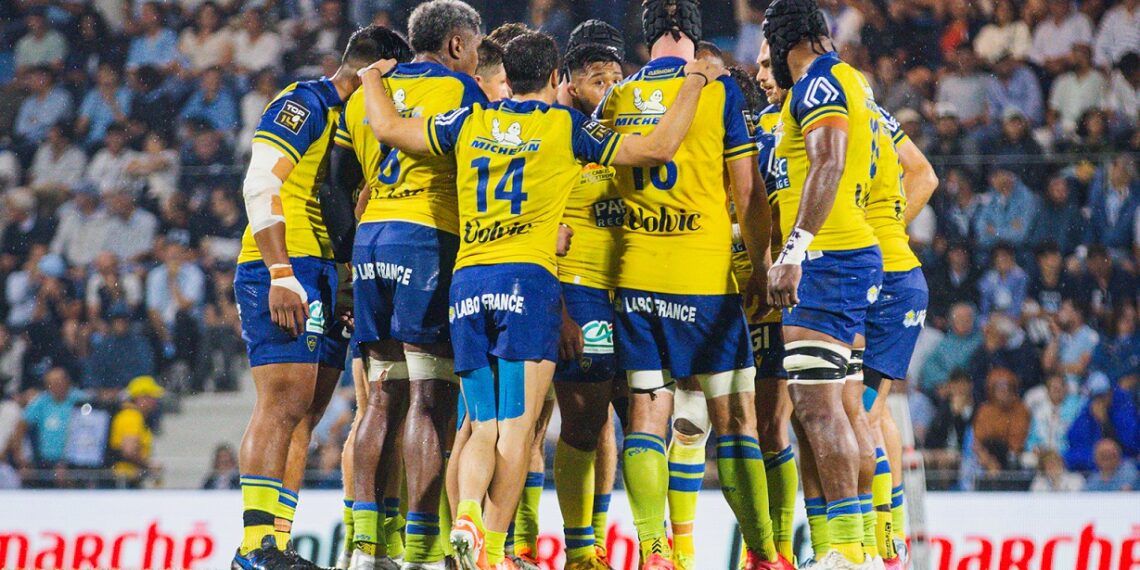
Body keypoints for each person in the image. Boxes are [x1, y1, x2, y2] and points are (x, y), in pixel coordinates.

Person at [361, 29, 716, 570]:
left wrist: (371, 78)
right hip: (526, 284)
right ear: (555, 77)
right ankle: (491, 549)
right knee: (516, 427)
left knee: (478, 425)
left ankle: (465, 517)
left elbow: (387, 127)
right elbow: (656, 148)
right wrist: (693, 83)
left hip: (467, 284)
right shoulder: (564, 126)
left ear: (507, 76)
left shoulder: (469, 121)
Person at [600, 1, 780, 567]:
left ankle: (655, 550)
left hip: (636, 277)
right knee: (736, 421)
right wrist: (761, 266)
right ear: (693, 35)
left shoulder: (617, 97)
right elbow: (747, 194)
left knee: (646, 419)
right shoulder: (718, 91)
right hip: (704, 279)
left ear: (648, 35)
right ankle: (764, 552)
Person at [230, 24, 393, 570]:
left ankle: (277, 543)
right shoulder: (306, 101)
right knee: (280, 405)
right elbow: (260, 182)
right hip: (285, 263)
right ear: (376, 70)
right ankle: (253, 547)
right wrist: (280, 272)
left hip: (323, 270)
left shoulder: (351, 120)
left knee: (305, 414)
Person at [337, 4, 482, 568]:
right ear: (455, 45)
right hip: (427, 237)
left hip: (371, 239)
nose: (475, 59)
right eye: (474, 48)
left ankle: (365, 547)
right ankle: (421, 550)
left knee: (380, 397)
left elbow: (343, 183)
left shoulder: (363, 96)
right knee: (430, 397)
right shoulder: (460, 91)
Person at [764, 0, 884, 566]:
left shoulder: (817, 82)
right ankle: (859, 546)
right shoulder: (853, 80)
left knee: (816, 408)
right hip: (848, 253)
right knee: (839, 405)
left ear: (784, 41)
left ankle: (846, 550)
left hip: (827, 259)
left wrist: (793, 250)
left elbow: (828, 162)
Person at [550, 42, 625, 570]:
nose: (611, 88)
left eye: (617, 77)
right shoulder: (560, 138)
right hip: (580, 291)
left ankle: (618, 542)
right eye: (599, 79)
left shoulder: (623, 139)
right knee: (583, 422)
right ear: (571, 85)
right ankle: (579, 551)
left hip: (631, 291)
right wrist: (560, 310)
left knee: (635, 421)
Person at [750, 42, 799, 567]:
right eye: (759, 67)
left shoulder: (798, 125)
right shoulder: (755, 129)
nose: (763, 75)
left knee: (774, 426)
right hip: (725, 293)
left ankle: (778, 548)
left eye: (769, 65)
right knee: (707, 425)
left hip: (776, 297)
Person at [108, 375, 164, 487]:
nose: (154, 402)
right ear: (140, 397)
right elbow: (129, 450)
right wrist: (148, 465)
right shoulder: (132, 416)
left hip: (125, 480)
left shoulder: (130, 415)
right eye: (151, 397)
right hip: (123, 481)